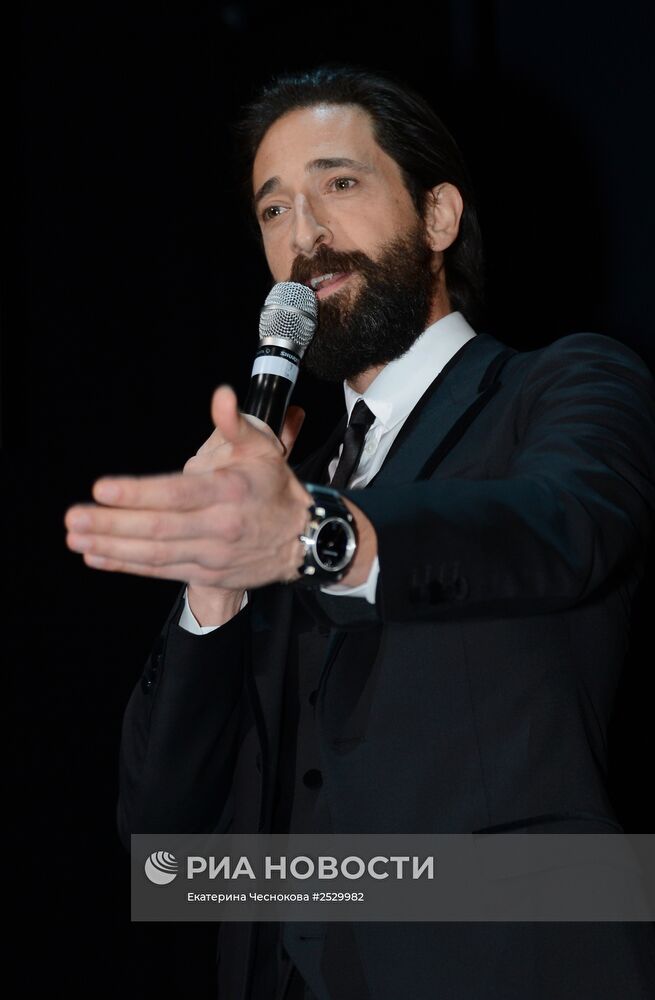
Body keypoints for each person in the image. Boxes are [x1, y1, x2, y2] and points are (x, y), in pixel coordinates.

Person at [65, 67, 655, 999]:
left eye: (338, 183)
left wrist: (319, 538)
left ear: (438, 216)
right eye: (273, 209)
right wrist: (212, 588)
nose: (304, 234)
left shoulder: (559, 386)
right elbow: (162, 843)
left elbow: (561, 527)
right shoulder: (278, 493)